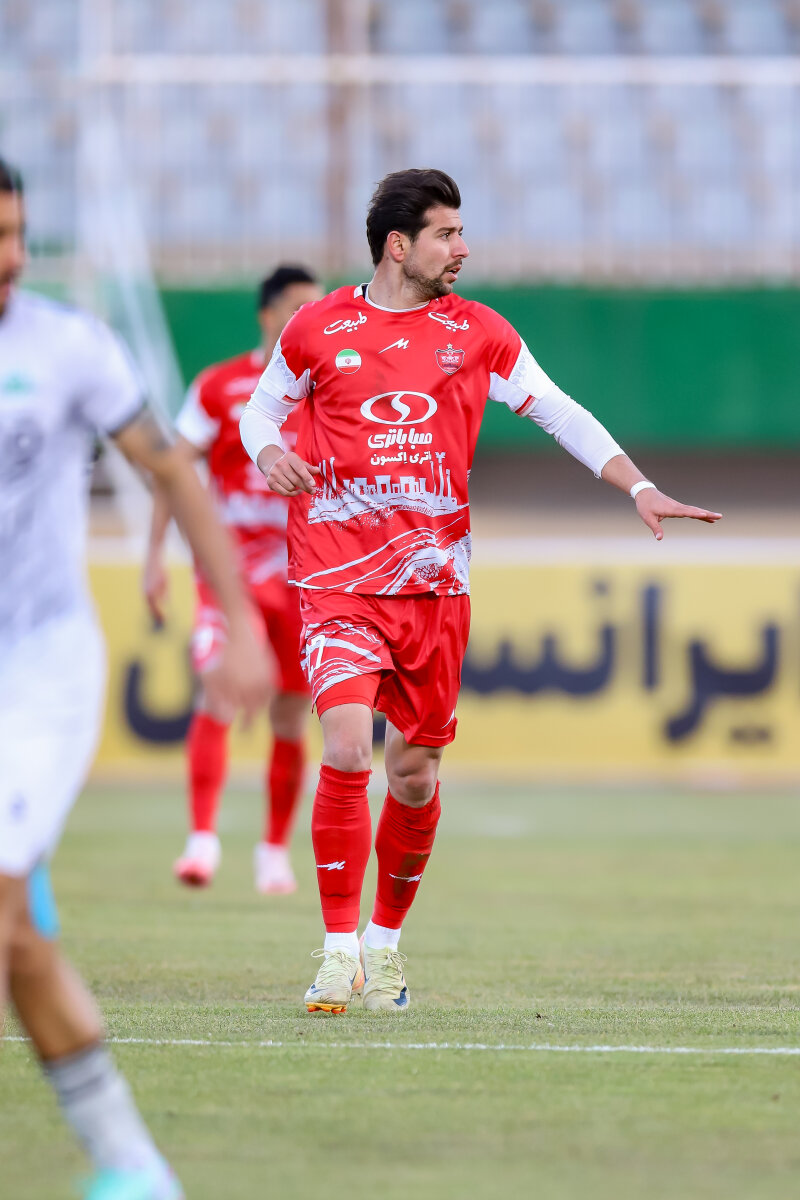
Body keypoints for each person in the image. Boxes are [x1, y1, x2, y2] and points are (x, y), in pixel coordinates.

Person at [240, 167, 722, 1015]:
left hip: (434, 587)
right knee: (347, 747)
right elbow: (260, 411)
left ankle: (385, 946)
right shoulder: (318, 328)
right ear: (399, 246)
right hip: (337, 575)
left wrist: (639, 487)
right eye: (447, 233)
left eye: (461, 232)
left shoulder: (479, 332)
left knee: (413, 773)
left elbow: (560, 411)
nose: (463, 248)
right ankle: (338, 953)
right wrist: (269, 451)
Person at [0, 157, 270, 1199]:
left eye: (17, 234)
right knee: (20, 945)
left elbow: (170, 468)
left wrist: (238, 620)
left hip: (37, 672)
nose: (11, 258)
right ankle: (130, 1164)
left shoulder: (68, 348)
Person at [144, 267, 321, 894]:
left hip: (303, 575)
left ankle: (273, 851)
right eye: (298, 308)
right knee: (217, 691)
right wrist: (153, 557)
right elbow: (173, 471)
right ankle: (201, 840)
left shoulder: (328, 389)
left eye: (317, 309)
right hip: (231, 573)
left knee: (290, 714)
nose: (309, 320)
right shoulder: (219, 386)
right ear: (268, 316)